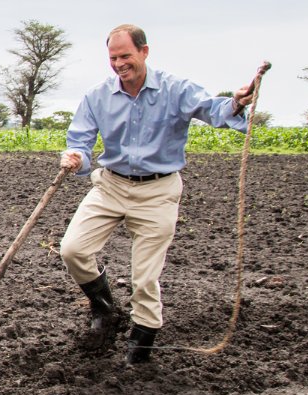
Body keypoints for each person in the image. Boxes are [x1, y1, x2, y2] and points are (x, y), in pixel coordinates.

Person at [58, 24, 254, 364]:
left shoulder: (175, 89)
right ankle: (105, 310)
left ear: (144, 52)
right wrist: (76, 158)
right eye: (113, 58)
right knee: (73, 249)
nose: (120, 64)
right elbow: (81, 141)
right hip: (112, 185)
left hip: (158, 191)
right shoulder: (97, 96)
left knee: (144, 278)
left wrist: (236, 104)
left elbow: (213, 109)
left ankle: (141, 349)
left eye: (126, 56)